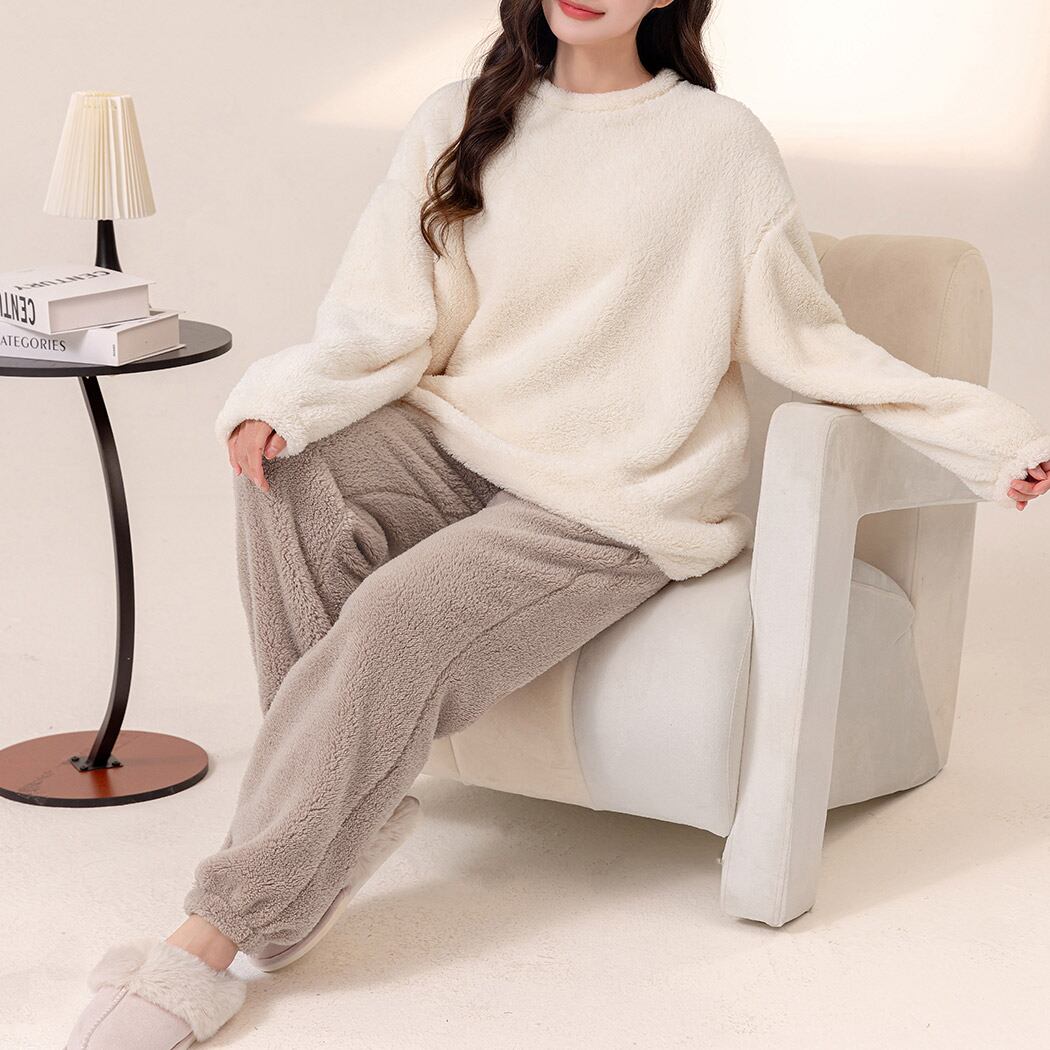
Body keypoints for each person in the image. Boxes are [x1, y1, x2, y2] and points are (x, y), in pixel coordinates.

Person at [63, 1, 1050, 1046]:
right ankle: (328, 825)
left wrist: (988, 438)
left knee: (397, 616)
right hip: (462, 442)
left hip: (615, 496)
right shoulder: (460, 116)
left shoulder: (717, 144)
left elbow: (809, 340)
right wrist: (287, 399)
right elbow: (383, 313)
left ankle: (209, 941)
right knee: (292, 467)